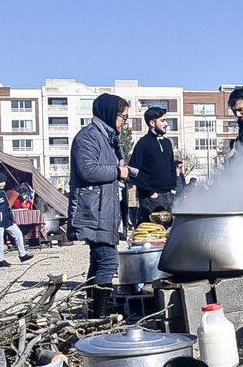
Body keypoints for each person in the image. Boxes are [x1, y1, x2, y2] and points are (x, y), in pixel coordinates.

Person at [68, 93, 130, 318]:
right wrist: (117, 172)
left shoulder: (110, 138)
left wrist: (123, 172)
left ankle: (94, 311)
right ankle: (99, 314)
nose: (124, 121)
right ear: (109, 114)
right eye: (122, 116)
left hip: (107, 208)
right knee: (108, 261)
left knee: (98, 261)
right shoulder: (88, 137)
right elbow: (87, 170)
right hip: (93, 210)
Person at [128, 106, 177, 224]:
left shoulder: (167, 143)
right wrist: (151, 193)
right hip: (151, 199)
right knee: (153, 234)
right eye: (162, 120)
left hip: (169, 196)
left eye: (166, 120)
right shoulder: (143, 144)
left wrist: (172, 188)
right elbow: (133, 171)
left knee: (169, 233)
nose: (166, 124)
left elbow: (171, 167)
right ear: (152, 123)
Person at [0, 171, 34, 268]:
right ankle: (0, 260)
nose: (4, 183)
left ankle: (22, 255)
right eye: (2, 182)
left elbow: (6, 207)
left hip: (7, 220)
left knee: (18, 234)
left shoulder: (2, 192)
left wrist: (10, 217)